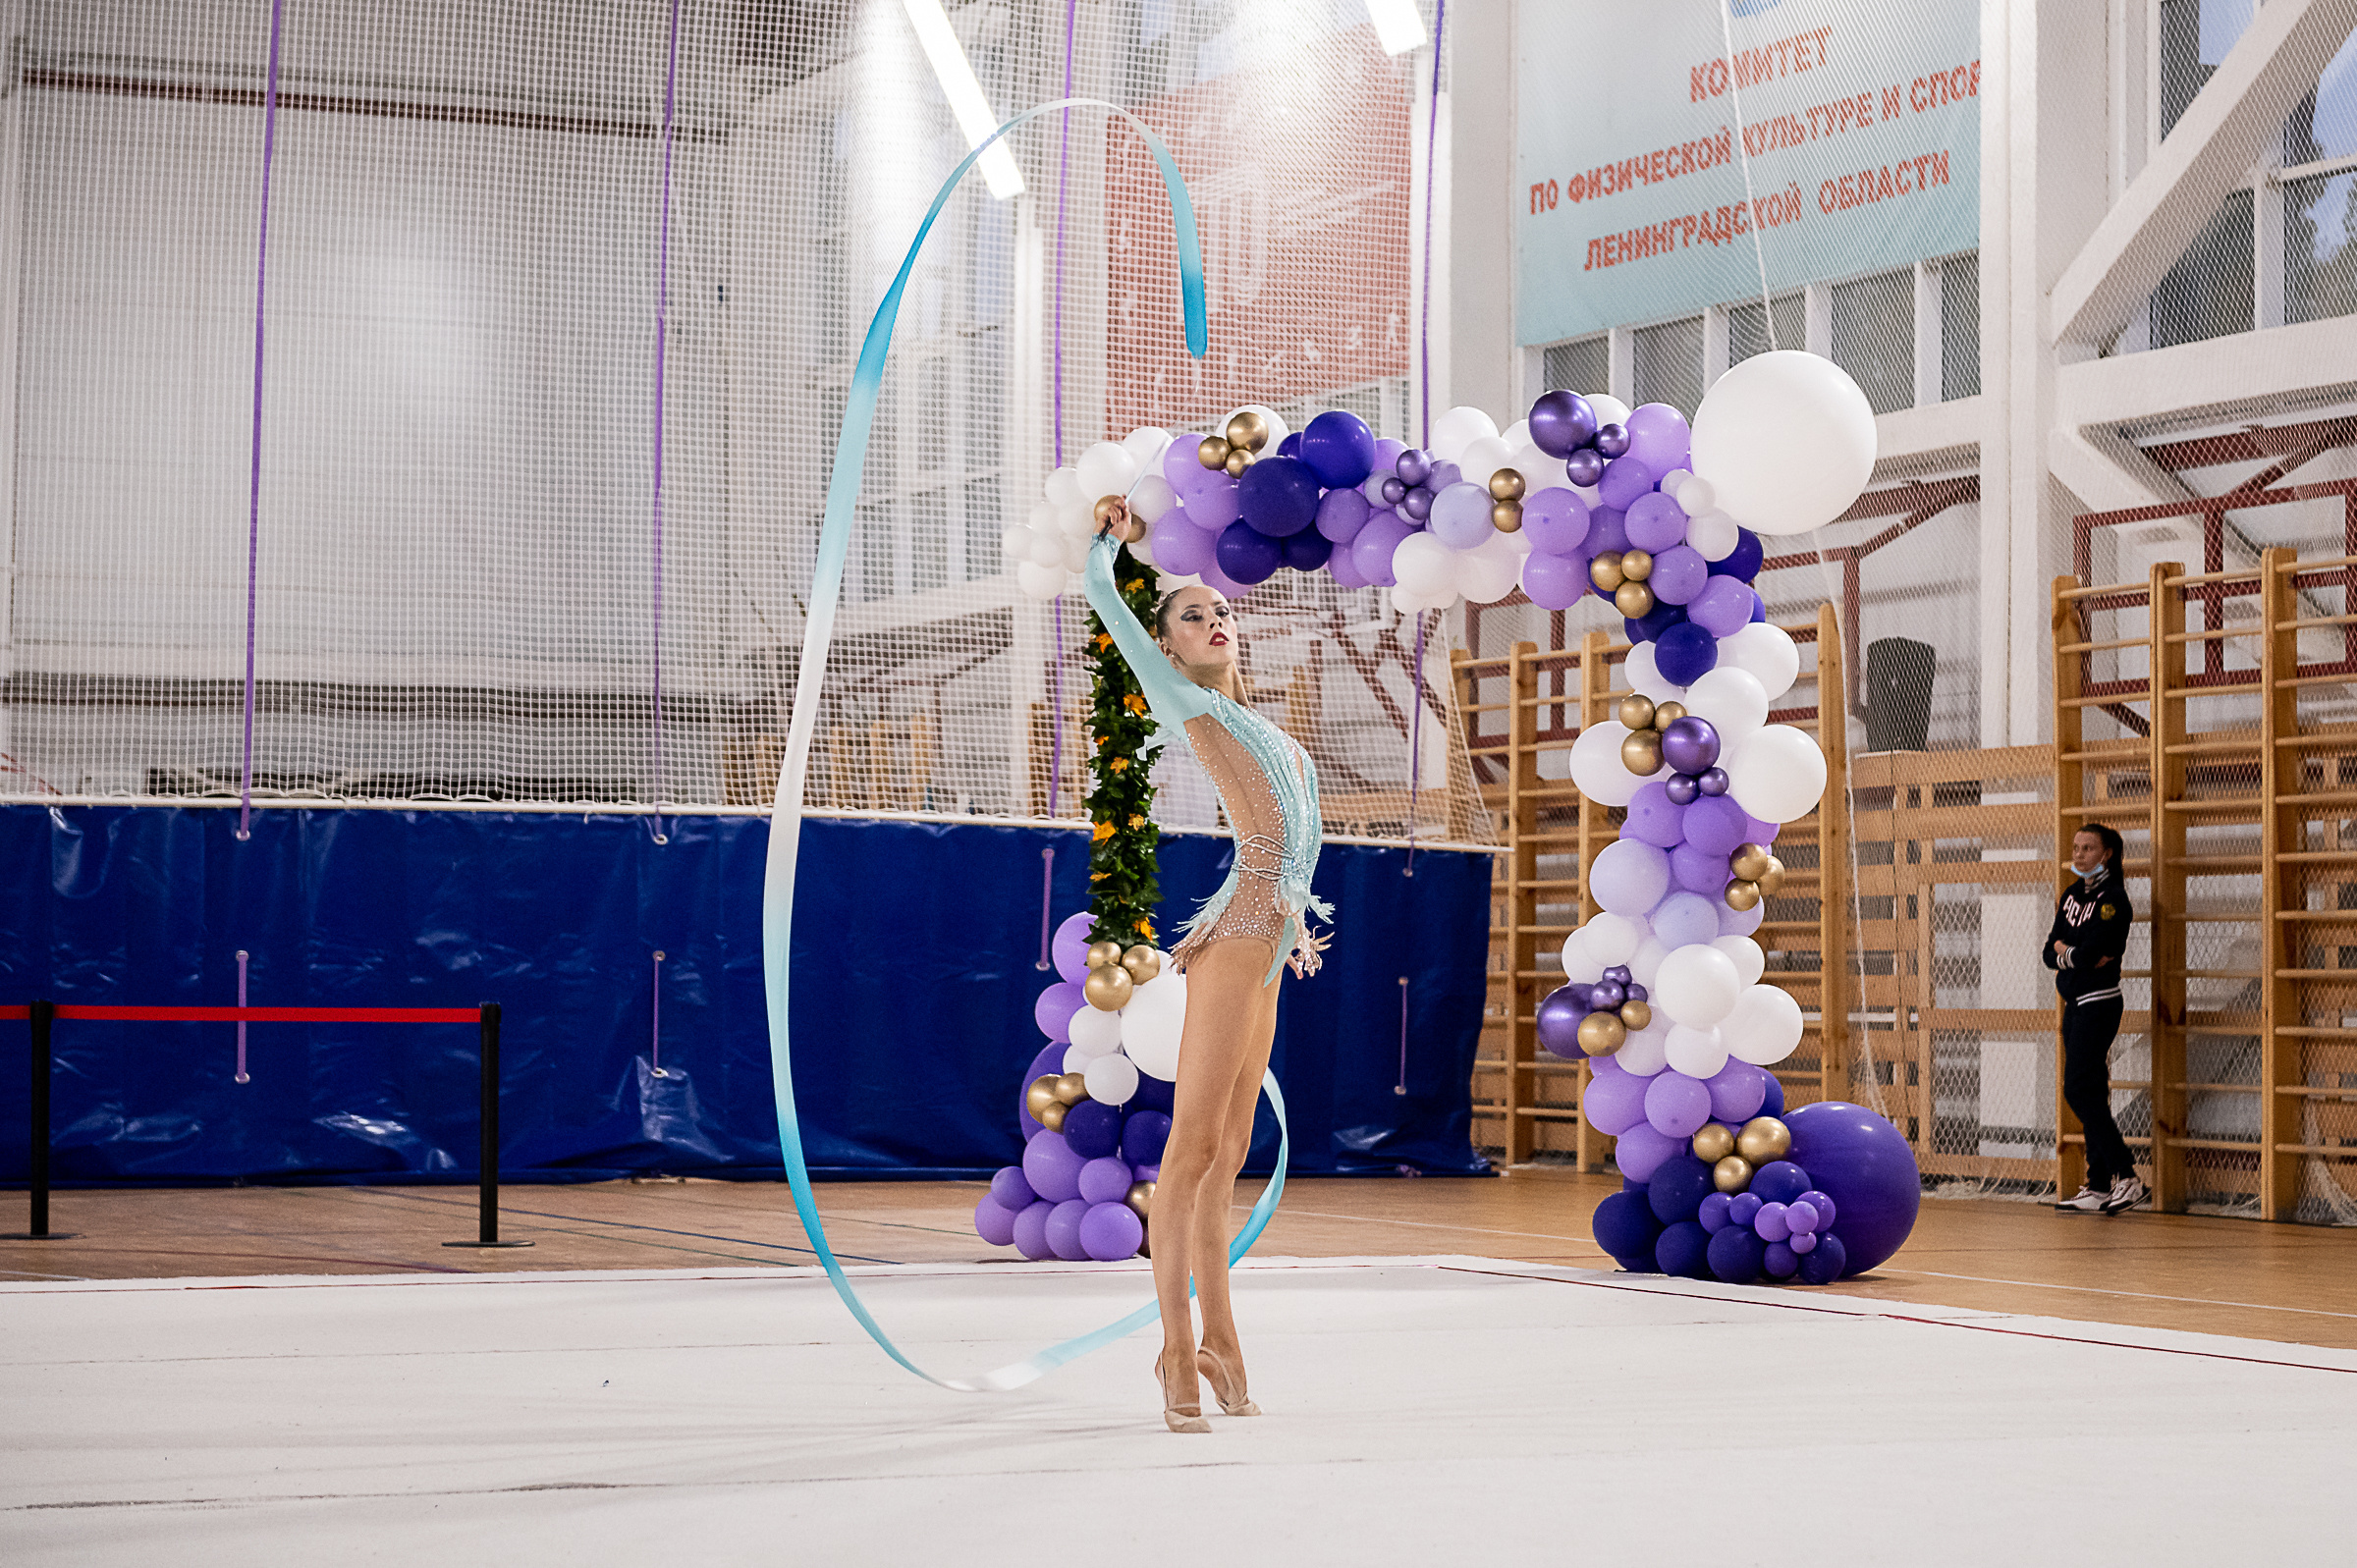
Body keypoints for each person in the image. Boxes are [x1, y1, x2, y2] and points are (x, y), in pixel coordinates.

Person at [1081, 515, 1330, 1433]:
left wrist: (1291, 925)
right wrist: (1109, 540)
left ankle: (1223, 1336)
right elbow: (1101, 593)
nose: (1214, 621)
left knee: (1230, 1150)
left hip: (1273, 938)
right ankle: (1175, 1347)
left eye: (1221, 610)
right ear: (1169, 647)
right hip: (1233, 935)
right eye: (1192, 616)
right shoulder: (1188, 700)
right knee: (1189, 1149)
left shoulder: (1259, 721)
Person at [2045, 822, 2143, 1215]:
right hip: (2074, 1003)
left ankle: (2128, 1175)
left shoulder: (2113, 899)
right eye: (2076, 847)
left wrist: (2069, 953)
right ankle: (2099, 1182)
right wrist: (2072, 953)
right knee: (2092, 1091)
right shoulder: (2071, 895)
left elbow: (2092, 952)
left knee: (2077, 1089)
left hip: (2099, 1002)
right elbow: (2048, 953)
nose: (2079, 853)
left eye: (2088, 848)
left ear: (2107, 854)